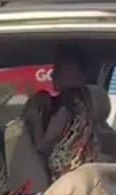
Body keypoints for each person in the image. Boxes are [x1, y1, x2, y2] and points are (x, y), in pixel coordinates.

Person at [24, 44, 99, 182]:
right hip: (83, 178)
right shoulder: (86, 105)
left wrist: (34, 120)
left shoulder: (68, 105)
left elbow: (43, 146)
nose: (52, 74)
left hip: (64, 181)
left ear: (74, 73)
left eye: (58, 69)